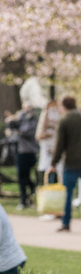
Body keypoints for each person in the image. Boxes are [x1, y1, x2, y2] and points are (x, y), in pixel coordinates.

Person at [52, 95, 81, 232]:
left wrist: (53, 162)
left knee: (68, 194)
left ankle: (66, 222)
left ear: (64, 106)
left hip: (72, 162)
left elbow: (60, 145)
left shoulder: (64, 120)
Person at [6, 104, 39, 209]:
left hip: (29, 152)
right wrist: (11, 120)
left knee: (25, 175)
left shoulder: (33, 120)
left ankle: (32, 192)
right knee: (22, 176)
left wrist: (16, 129)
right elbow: (11, 125)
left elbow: (27, 132)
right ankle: (24, 199)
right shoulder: (21, 117)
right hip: (19, 151)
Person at [37, 97, 62, 178]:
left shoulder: (60, 114)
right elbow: (39, 135)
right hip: (48, 147)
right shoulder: (46, 114)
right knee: (49, 170)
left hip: (57, 146)